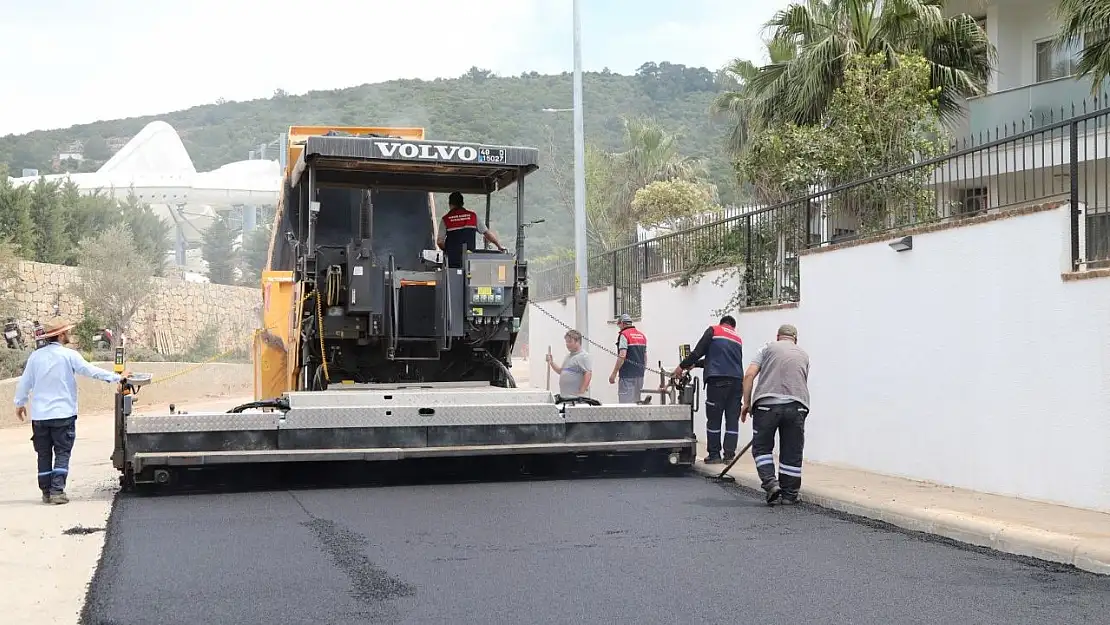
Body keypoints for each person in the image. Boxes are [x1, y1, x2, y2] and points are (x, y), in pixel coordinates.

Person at [13, 318, 129, 505]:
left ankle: (46, 492)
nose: (69, 335)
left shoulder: (35, 357)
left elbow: (24, 383)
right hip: (63, 415)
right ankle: (57, 491)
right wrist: (117, 378)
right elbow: (90, 371)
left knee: (43, 454)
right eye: (67, 332)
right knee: (62, 452)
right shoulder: (68, 355)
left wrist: (20, 403)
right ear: (60, 335)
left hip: (40, 417)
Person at [741, 323, 811, 505]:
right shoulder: (803, 354)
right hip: (797, 406)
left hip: (766, 406)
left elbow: (749, 375)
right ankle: (789, 496)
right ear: (795, 339)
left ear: (778, 336)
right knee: (792, 451)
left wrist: (747, 403)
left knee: (762, 448)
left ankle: (771, 484)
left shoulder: (767, 347)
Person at [672, 315, 744, 464]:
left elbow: (698, 351)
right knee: (732, 419)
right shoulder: (737, 338)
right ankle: (729, 456)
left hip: (717, 381)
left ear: (722, 323)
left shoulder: (714, 330)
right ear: (733, 326)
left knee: (714, 418)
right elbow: (720, 359)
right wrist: (696, 364)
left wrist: (682, 366)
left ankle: (714, 455)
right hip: (737, 383)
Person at [436, 191, 506, 267]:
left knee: (452, 278)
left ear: (450, 204)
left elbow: (440, 242)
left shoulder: (445, 219)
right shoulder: (473, 216)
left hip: (453, 261)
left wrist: (448, 250)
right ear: (462, 203)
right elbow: (487, 233)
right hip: (470, 261)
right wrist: (499, 246)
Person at [608, 313, 647, 403]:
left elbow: (622, 355)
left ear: (622, 323)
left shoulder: (624, 335)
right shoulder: (642, 336)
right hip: (640, 376)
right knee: (637, 402)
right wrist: (642, 371)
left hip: (627, 375)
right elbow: (645, 357)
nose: (619, 328)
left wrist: (613, 374)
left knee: (626, 404)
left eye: (619, 325)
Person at [545, 329, 592, 398]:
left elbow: (588, 374)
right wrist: (551, 362)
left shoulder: (583, 356)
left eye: (570, 342)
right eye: (566, 342)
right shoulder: (568, 356)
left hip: (576, 398)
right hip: (565, 396)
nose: (567, 344)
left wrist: (581, 393)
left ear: (578, 341)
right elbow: (561, 371)